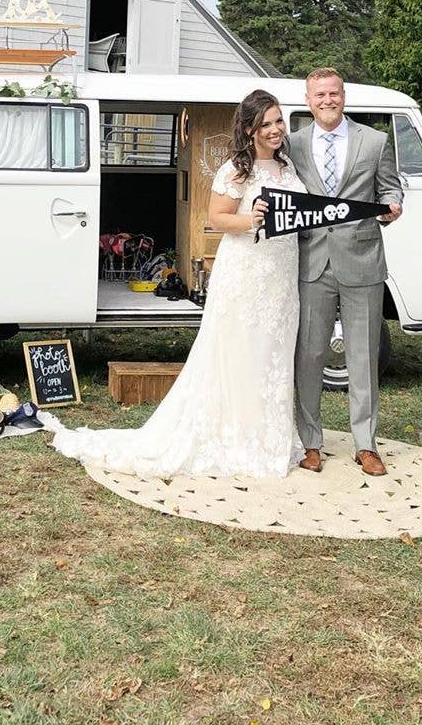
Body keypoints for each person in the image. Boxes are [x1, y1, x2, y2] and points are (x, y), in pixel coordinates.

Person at [44, 90, 305, 479]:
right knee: (240, 352)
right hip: (248, 272)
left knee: (273, 354)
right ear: (249, 129)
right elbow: (216, 218)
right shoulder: (236, 168)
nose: (275, 129)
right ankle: (236, 439)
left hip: (281, 275)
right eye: (265, 123)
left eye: (279, 120)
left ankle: (269, 437)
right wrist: (250, 219)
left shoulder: (287, 165)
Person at [285, 67, 403, 477]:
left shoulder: (375, 141)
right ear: (308, 100)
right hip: (312, 261)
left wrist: (391, 207)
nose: (327, 101)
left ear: (344, 96)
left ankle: (366, 444)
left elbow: (390, 188)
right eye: (319, 95)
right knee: (309, 355)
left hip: (363, 261)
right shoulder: (293, 144)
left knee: (363, 356)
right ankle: (310, 443)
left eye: (333, 93)